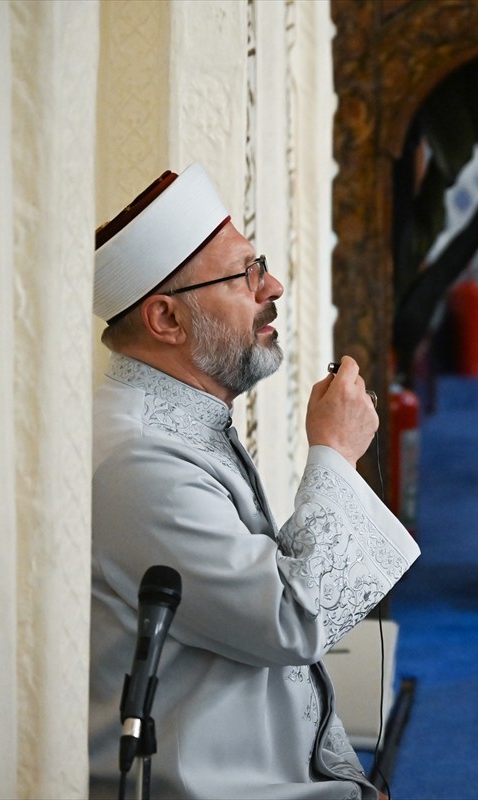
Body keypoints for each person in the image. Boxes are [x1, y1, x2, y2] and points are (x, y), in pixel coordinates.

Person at [88, 163, 419, 798]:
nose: (274, 284)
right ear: (167, 321)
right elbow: (291, 619)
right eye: (245, 274)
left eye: (258, 263)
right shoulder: (136, 459)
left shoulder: (183, 423)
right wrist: (335, 455)